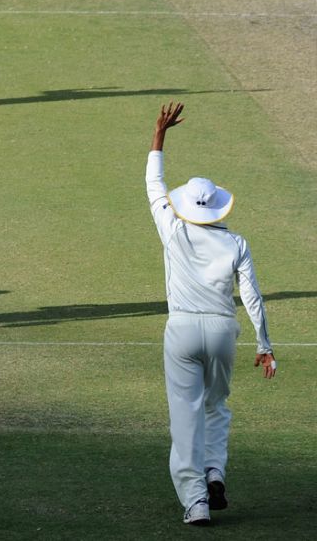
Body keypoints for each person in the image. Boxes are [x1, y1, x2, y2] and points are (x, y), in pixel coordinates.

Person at [147, 102, 275, 526]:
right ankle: (215, 472)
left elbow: (153, 183)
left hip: (182, 327)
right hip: (223, 330)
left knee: (186, 414)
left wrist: (160, 135)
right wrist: (264, 344)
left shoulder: (173, 228)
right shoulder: (236, 242)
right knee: (217, 406)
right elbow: (252, 294)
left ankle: (196, 501)